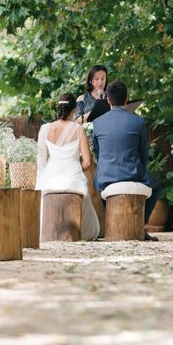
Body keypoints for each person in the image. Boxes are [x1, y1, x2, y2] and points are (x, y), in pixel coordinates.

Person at [92, 81, 161, 241]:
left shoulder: (97, 123)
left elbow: (98, 153)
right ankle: (141, 225)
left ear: (108, 100)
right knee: (156, 185)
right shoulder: (138, 122)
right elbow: (144, 155)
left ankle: (110, 223)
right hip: (132, 174)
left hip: (105, 176)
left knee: (97, 185)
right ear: (127, 99)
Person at [35, 93, 100, 241]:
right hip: (73, 178)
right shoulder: (78, 129)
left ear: (58, 109)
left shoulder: (45, 129)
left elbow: (41, 162)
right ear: (74, 110)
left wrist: (41, 181)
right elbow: (88, 162)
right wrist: (76, 168)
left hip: (49, 179)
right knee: (91, 228)